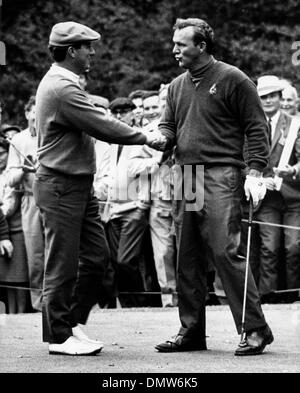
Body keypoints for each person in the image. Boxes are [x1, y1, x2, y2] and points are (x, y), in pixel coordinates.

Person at [33, 21, 163, 356]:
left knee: (96, 257)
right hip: (61, 185)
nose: (92, 52)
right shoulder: (63, 87)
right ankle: (59, 336)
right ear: (72, 51)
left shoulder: (66, 83)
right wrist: (147, 136)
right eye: (87, 46)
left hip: (77, 185)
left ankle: (70, 324)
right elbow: (103, 125)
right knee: (62, 263)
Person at [154, 18, 273, 356]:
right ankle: (191, 331)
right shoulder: (177, 86)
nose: (175, 49)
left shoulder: (233, 78)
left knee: (225, 252)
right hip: (185, 174)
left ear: (201, 46)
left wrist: (256, 172)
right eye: (174, 43)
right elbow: (168, 126)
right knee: (186, 255)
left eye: (181, 44)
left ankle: (255, 329)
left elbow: (256, 126)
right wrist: (159, 139)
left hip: (222, 173)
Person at [129, 89, 177, 307]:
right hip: (160, 196)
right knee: (163, 252)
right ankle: (169, 300)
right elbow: (133, 167)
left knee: (191, 248)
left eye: (156, 106)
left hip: (190, 193)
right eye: (147, 107)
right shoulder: (145, 134)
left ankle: (196, 297)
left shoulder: (186, 123)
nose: (152, 111)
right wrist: (157, 160)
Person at [254, 75, 300, 303]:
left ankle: (292, 297)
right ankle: (268, 299)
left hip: (293, 197)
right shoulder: (251, 124)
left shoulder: (294, 124)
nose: (268, 100)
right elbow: (245, 161)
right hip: (266, 198)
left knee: (293, 247)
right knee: (269, 248)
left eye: (273, 95)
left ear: (280, 98)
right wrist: (261, 179)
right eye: (264, 96)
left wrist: (293, 170)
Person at [104, 97, 149, 307]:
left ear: (133, 113)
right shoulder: (110, 140)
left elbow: (150, 169)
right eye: (116, 113)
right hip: (113, 207)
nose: (120, 116)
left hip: (133, 207)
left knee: (126, 260)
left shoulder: (142, 136)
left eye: (124, 112)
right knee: (116, 262)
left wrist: (142, 203)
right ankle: (128, 305)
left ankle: (140, 303)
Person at [5, 96, 44, 311]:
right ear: (28, 113)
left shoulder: (54, 135)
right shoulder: (18, 141)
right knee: (35, 257)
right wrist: (24, 169)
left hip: (55, 200)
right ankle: (39, 306)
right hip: (30, 201)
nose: (39, 115)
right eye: (35, 111)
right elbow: (11, 179)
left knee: (58, 254)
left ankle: (61, 303)